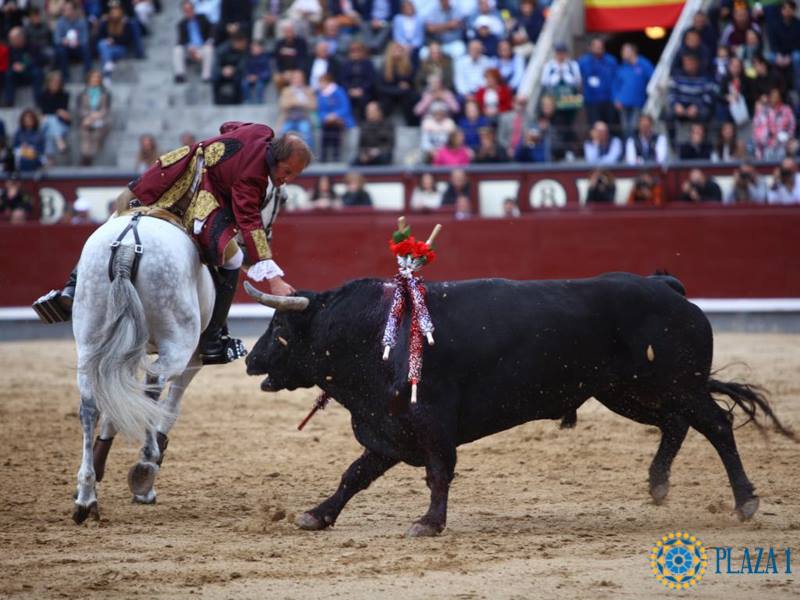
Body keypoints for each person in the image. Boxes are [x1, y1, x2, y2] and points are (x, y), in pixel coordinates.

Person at [34, 124, 314, 365]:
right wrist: (274, 279)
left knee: (120, 212)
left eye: (293, 177)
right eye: (286, 172)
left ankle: (71, 288)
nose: (285, 181)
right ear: (274, 157)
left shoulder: (262, 131)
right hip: (200, 192)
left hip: (174, 168)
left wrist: (220, 155)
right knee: (233, 259)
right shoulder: (253, 177)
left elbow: (228, 127)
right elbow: (250, 221)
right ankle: (214, 341)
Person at [612, 43, 654, 139]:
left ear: (633, 51)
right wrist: (615, 99)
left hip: (638, 103)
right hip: (622, 103)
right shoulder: (622, 67)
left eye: (625, 51)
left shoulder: (643, 64)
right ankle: (628, 148)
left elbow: (654, 78)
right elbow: (615, 85)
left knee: (635, 127)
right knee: (625, 128)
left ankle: (636, 147)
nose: (622, 53)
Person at [579, 38, 618, 129]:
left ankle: (609, 143)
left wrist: (616, 97)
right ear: (591, 48)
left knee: (610, 127)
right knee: (594, 126)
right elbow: (578, 79)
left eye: (600, 47)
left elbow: (617, 80)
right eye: (596, 47)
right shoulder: (583, 62)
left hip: (608, 100)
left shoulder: (611, 61)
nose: (598, 49)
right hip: (591, 100)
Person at [376, 41, 418, 125]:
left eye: (399, 49)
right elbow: (380, 87)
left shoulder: (408, 66)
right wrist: (398, 89)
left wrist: (405, 86)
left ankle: (411, 124)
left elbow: (411, 84)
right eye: (394, 49)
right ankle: (381, 125)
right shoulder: (384, 67)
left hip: (403, 95)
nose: (397, 51)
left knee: (410, 99)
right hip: (389, 93)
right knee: (385, 101)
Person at [316, 71, 355, 162]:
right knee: (326, 128)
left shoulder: (339, 91)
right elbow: (320, 110)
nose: (320, 84)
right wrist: (326, 117)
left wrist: (335, 115)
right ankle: (324, 157)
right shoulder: (320, 95)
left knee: (335, 127)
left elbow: (345, 107)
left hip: (340, 119)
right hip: (327, 120)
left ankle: (336, 156)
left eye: (322, 82)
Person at [173, 0, 214, 84]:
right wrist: (189, 47)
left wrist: (209, 41)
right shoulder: (181, 24)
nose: (189, 12)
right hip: (190, 49)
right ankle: (180, 74)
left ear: (194, 9)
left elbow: (212, 31)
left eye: (190, 9)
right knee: (177, 49)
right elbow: (181, 40)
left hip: (202, 47)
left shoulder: (203, 18)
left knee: (209, 49)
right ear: (183, 12)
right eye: (186, 11)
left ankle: (206, 76)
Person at [77, 69, 111, 166]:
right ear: (89, 79)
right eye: (94, 77)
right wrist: (89, 117)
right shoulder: (82, 94)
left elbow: (105, 109)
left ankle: (89, 157)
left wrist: (96, 116)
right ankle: (86, 155)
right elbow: (80, 109)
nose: (96, 79)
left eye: (98, 77)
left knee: (97, 132)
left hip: (101, 118)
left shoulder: (105, 93)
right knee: (85, 132)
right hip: (87, 118)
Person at [278, 69, 316, 150]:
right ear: (292, 79)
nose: (298, 80)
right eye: (295, 78)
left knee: (306, 134)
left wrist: (301, 103)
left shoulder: (308, 90)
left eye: (299, 78)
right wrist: (297, 102)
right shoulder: (287, 90)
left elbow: (314, 105)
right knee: (281, 134)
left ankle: (307, 155)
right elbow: (283, 105)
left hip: (303, 118)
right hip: (289, 118)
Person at [54, 0, 93, 81]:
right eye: (64, 9)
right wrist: (63, 41)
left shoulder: (82, 21)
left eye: (68, 9)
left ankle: (88, 76)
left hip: (78, 47)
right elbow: (57, 39)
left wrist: (78, 42)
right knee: (60, 50)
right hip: (66, 48)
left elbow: (85, 39)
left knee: (86, 48)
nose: (65, 11)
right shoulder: (60, 22)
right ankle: (65, 77)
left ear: (74, 10)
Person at [97, 1, 135, 82]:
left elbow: (127, 39)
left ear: (121, 11)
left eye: (116, 10)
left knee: (104, 49)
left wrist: (114, 40)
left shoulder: (125, 23)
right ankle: (107, 71)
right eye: (112, 10)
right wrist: (108, 40)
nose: (114, 12)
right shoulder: (106, 22)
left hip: (121, 49)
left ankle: (107, 71)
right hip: (108, 48)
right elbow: (99, 36)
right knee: (102, 45)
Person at [38, 70, 72, 161]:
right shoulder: (42, 95)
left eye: (58, 82)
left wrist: (58, 112)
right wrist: (57, 112)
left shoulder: (65, 95)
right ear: (48, 82)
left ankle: (50, 159)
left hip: (62, 124)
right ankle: (60, 142)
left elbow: (62, 113)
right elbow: (47, 111)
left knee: (49, 128)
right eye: (53, 81)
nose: (55, 84)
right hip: (47, 122)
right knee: (50, 119)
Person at [353, 101, 394, 165]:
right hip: (367, 154)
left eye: (371, 111)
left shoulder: (387, 125)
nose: (368, 114)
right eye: (367, 111)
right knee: (354, 162)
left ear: (379, 112)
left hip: (381, 154)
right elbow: (361, 145)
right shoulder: (364, 125)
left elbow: (389, 145)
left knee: (384, 157)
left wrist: (376, 151)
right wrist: (364, 154)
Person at [241, 40, 272, 104]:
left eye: (256, 47)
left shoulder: (265, 58)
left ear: (261, 48)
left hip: (261, 78)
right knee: (244, 84)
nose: (254, 49)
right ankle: (247, 100)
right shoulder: (248, 58)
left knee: (259, 86)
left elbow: (267, 72)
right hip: (250, 78)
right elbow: (245, 69)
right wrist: (248, 76)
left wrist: (258, 77)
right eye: (252, 48)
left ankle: (259, 101)